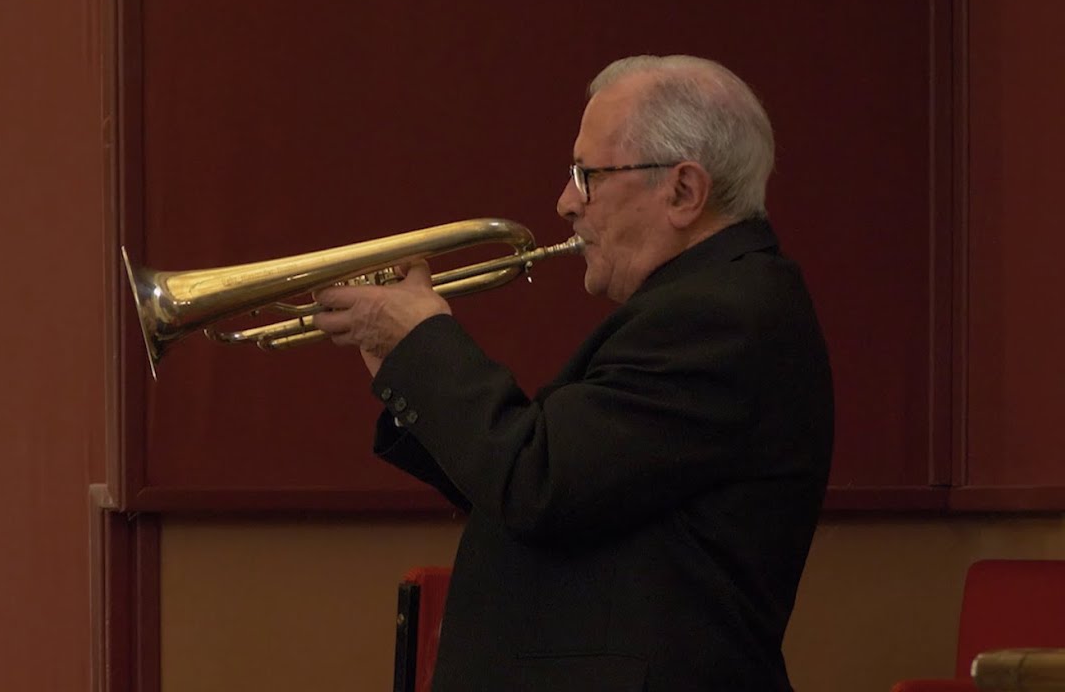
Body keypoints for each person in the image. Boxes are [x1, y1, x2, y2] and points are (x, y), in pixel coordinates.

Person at [312, 55, 834, 692]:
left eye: (589, 176)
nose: (565, 203)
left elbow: (539, 481)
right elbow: (550, 489)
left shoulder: (720, 315)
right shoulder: (705, 304)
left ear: (683, 191)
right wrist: (399, 361)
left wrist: (419, 343)